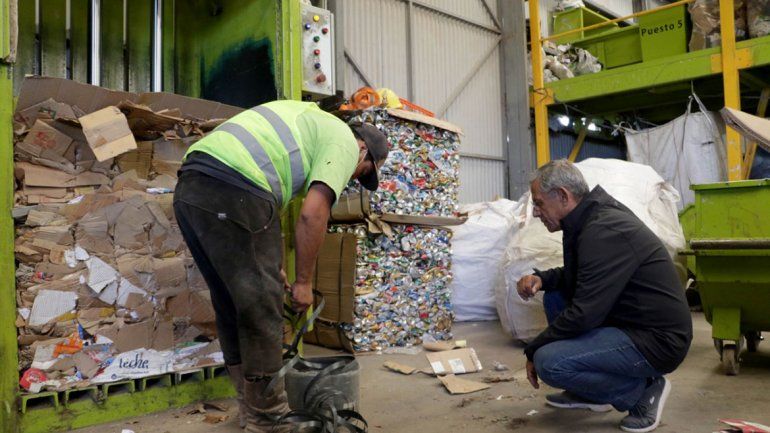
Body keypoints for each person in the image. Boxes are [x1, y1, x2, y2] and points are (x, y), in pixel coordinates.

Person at [173, 100, 389, 432]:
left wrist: (271, 266)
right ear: (363, 151)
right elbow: (313, 213)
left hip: (192, 186)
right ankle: (269, 419)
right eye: (362, 173)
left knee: (232, 303)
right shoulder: (344, 141)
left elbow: (263, 225)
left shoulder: (307, 121)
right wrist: (303, 283)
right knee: (263, 309)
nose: (353, 179)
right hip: (238, 183)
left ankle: (250, 409)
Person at [516, 160, 692, 433]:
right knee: (554, 297)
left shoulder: (604, 229)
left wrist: (533, 348)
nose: (537, 212)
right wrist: (543, 279)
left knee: (549, 362)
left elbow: (585, 314)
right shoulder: (586, 220)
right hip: (630, 322)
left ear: (563, 195)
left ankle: (643, 392)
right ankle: (592, 393)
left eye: (539, 203)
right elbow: (583, 274)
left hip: (656, 340)